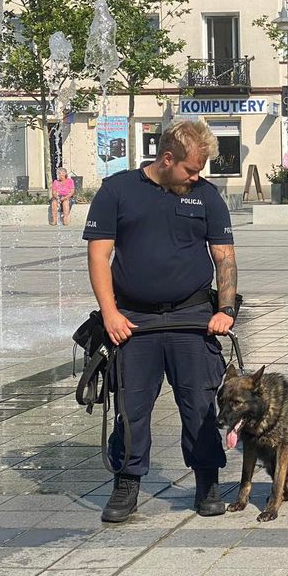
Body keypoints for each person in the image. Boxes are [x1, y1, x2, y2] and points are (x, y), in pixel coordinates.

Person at [82, 120, 237, 523]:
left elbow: (224, 257)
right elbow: (99, 256)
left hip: (192, 318)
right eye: (191, 168)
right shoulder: (118, 191)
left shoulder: (206, 196)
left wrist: (226, 310)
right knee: (131, 407)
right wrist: (111, 312)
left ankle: (207, 481)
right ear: (167, 159)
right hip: (133, 319)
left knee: (200, 405)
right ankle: (127, 482)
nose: (197, 176)